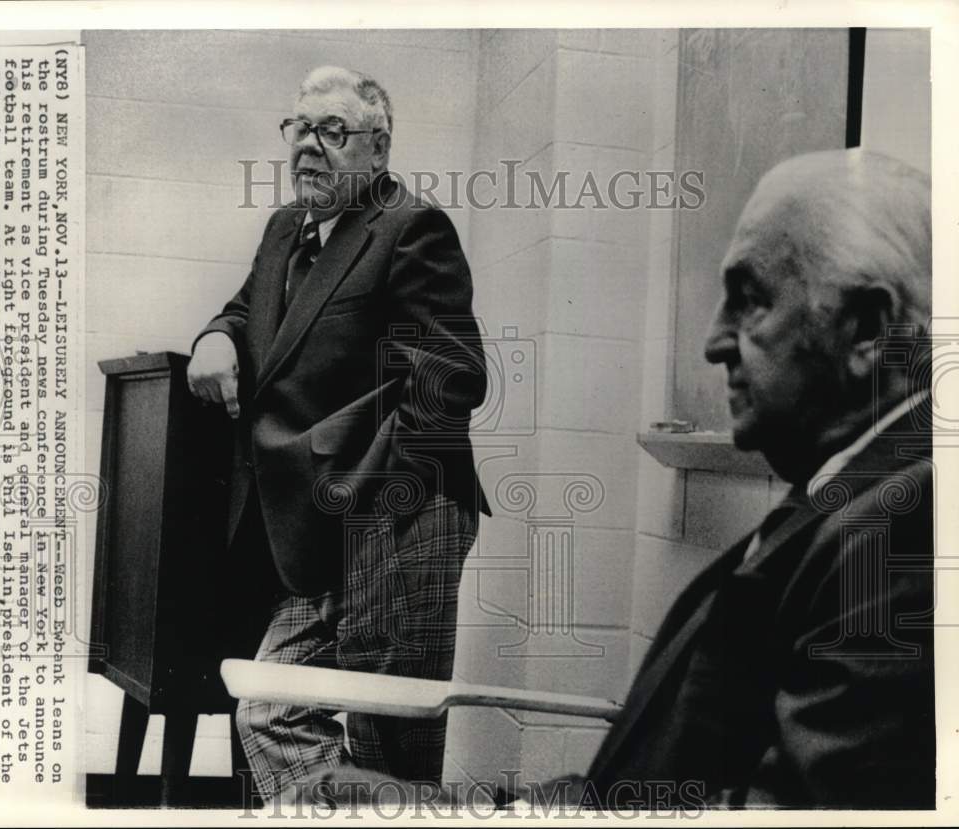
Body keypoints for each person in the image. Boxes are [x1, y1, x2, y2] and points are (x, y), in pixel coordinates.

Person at [289, 148, 935, 810]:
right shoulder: (841, 497)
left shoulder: (904, 531)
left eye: (749, 301)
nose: (713, 341)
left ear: (867, 329)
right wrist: (428, 804)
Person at [187, 66, 490, 802]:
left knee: (392, 737)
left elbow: (452, 376)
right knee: (269, 709)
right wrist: (216, 337)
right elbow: (251, 310)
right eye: (299, 128)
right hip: (315, 531)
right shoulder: (284, 230)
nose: (308, 146)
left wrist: (376, 508)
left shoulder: (410, 226)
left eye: (332, 130)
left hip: (398, 513)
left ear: (378, 147)